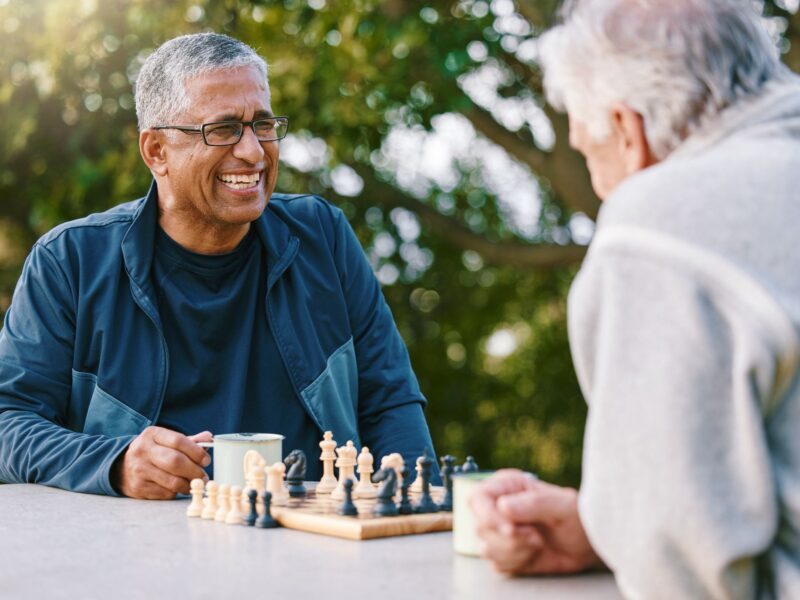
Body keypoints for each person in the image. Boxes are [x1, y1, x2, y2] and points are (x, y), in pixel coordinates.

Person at [0, 33, 436, 499]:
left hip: (312, 544)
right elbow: (7, 422)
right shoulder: (70, 261)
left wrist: (416, 517)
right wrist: (113, 463)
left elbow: (391, 401)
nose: (252, 152)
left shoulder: (322, 237)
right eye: (223, 129)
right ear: (156, 152)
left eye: (263, 125)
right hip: (135, 554)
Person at [470, 1, 800, 597]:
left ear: (628, 131)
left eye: (587, 151)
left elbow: (685, 578)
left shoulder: (660, 220)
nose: (598, 188)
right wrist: (607, 529)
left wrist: (648, 542)